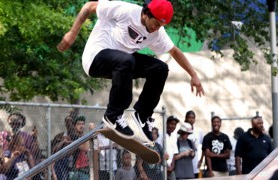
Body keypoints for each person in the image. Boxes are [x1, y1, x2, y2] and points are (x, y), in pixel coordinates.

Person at [57, 0, 204, 143]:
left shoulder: (157, 33)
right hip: (95, 58)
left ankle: (143, 115)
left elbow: (174, 51)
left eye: (161, 26)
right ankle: (113, 115)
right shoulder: (126, 10)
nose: (156, 29)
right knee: (127, 60)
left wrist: (194, 75)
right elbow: (89, 6)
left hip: (122, 65)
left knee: (160, 69)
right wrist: (72, 33)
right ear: (147, 13)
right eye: (156, 24)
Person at [68, 115, 95, 180]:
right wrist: (91, 133)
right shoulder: (73, 136)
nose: (81, 126)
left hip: (85, 170)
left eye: (83, 124)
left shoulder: (84, 137)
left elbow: (96, 148)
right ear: (74, 126)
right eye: (79, 124)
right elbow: (85, 148)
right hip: (75, 170)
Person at [51, 115, 75, 180]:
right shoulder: (59, 136)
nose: (69, 124)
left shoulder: (76, 136)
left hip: (73, 164)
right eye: (67, 122)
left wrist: (69, 142)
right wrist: (63, 142)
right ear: (65, 124)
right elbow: (53, 150)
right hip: (60, 163)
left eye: (71, 122)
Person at [184, 110, 204, 178]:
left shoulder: (199, 131)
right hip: (184, 165)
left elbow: (204, 147)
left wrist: (201, 160)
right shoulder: (182, 131)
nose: (191, 119)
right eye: (189, 117)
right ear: (186, 118)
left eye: (193, 118)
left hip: (195, 165)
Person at [165, 116, 180, 180]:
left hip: (170, 168)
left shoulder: (174, 136)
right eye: (171, 124)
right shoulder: (161, 134)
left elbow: (174, 153)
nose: (173, 126)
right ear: (167, 124)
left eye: (174, 124)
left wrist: (172, 167)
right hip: (162, 167)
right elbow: (158, 151)